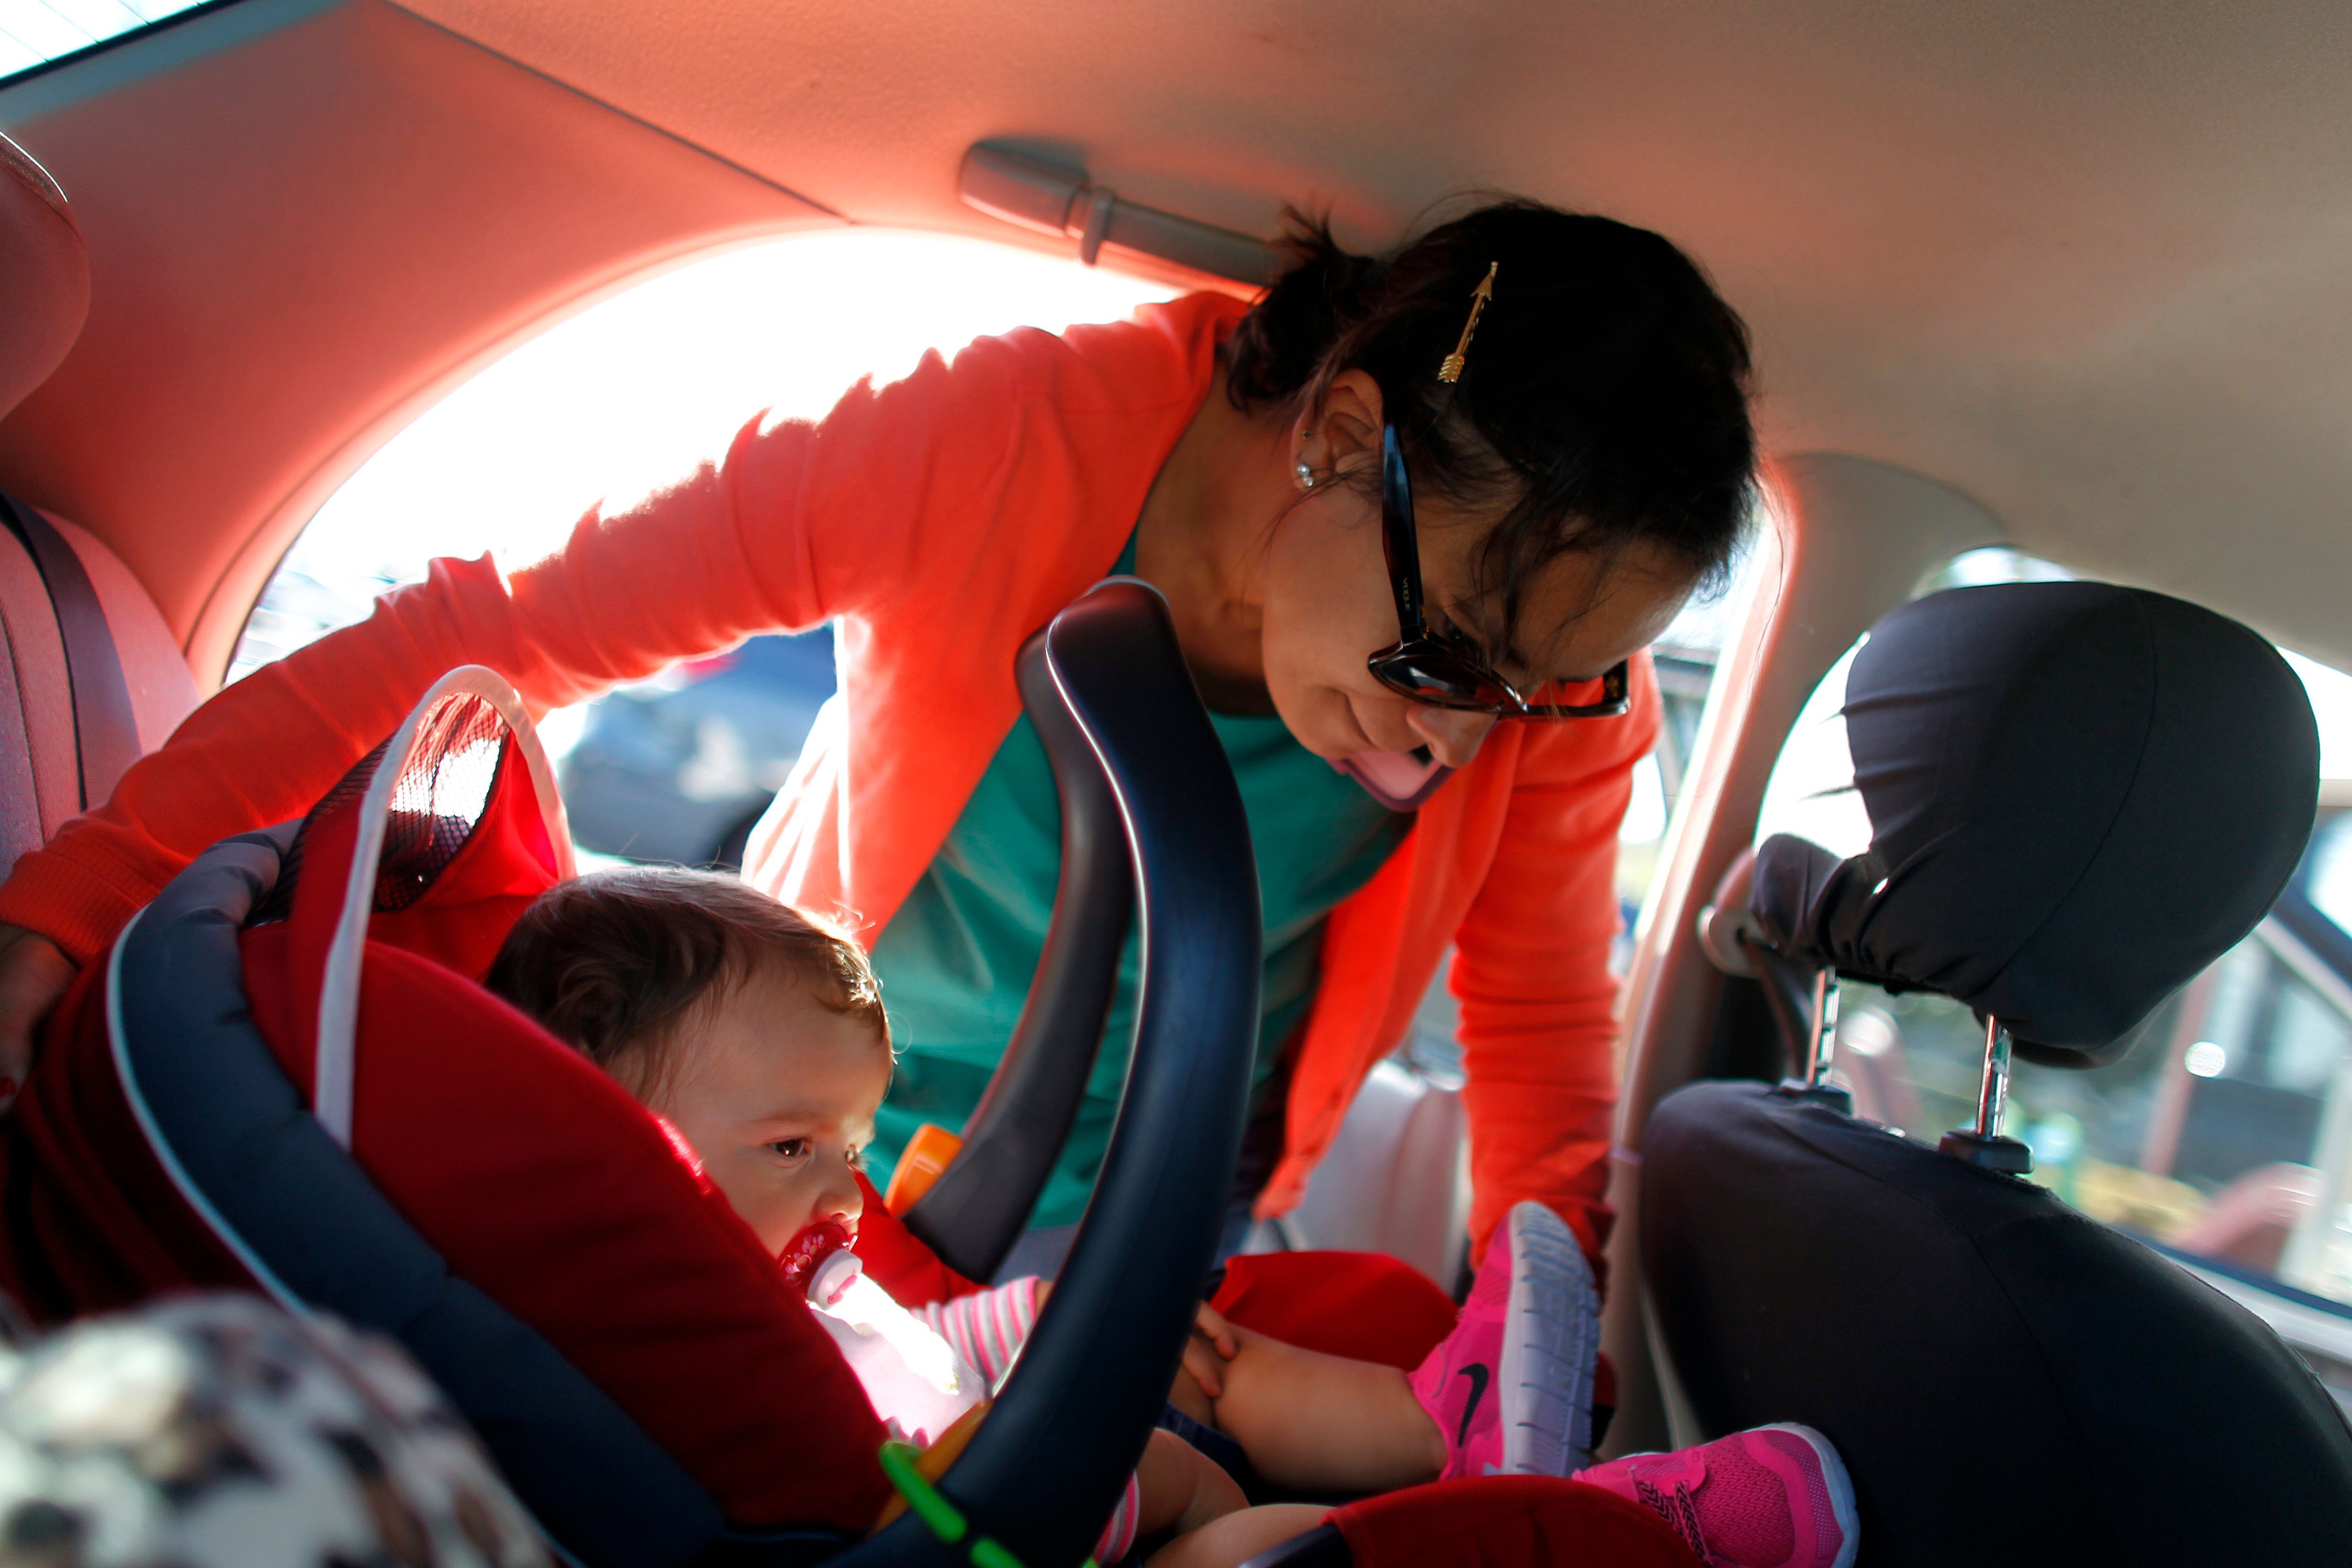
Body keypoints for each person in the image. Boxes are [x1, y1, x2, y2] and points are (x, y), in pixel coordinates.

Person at [0, 197, 1757, 1289]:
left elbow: (1534, 1025)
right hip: (766, 1133)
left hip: (1134, 1222)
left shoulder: (1542, 714)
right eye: (1450, 647)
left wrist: (1559, 1333)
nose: (1471, 732)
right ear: (1344, 432)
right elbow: (486, 635)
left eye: (1544, 687)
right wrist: (80, 907)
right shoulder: (998, 431)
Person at [484, 865, 1857, 1568]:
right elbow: (897, 1502)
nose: (847, 1190)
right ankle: (1599, 1529)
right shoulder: (680, 1373)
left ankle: (1459, 1428)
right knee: (1271, 1549)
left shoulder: (802, 1268)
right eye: (794, 1145)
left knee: (1201, 1353)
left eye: (852, 1143)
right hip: (1039, 1534)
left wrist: (1058, 1330)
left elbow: (924, 1344)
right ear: (615, 1151)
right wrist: (1100, 1448)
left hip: (1076, 1473)